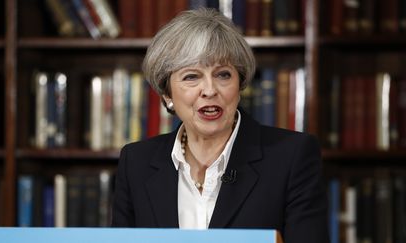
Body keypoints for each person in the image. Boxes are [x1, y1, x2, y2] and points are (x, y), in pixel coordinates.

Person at [111, 8, 328, 243]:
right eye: (191, 76)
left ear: (240, 84)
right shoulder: (136, 162)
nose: (210, 90)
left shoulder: (292, 155)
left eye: (223, 75)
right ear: (167, 94)